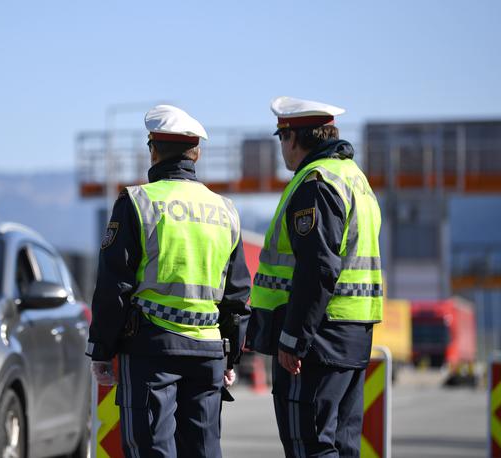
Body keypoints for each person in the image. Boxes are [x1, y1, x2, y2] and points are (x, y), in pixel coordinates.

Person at [86, 104, 251, 458]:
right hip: (208, 352)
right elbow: (237, 296)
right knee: (204, 450)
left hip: (151, 350)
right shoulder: (225, 210)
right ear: (197, 153)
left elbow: (115, 285)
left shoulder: (138, 202)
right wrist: (231, 356)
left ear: (153, 150)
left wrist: (101, 350)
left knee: (152, 450)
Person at [246, 96, 383, 457]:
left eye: (281, 138)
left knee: (309, 445)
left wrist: (293, 338)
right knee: (341, 445)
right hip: (352, 334)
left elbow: (319, 268)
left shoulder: (316, 182)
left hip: (316, 342)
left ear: (294, 137)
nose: (281, 148)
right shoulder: (356, 180)